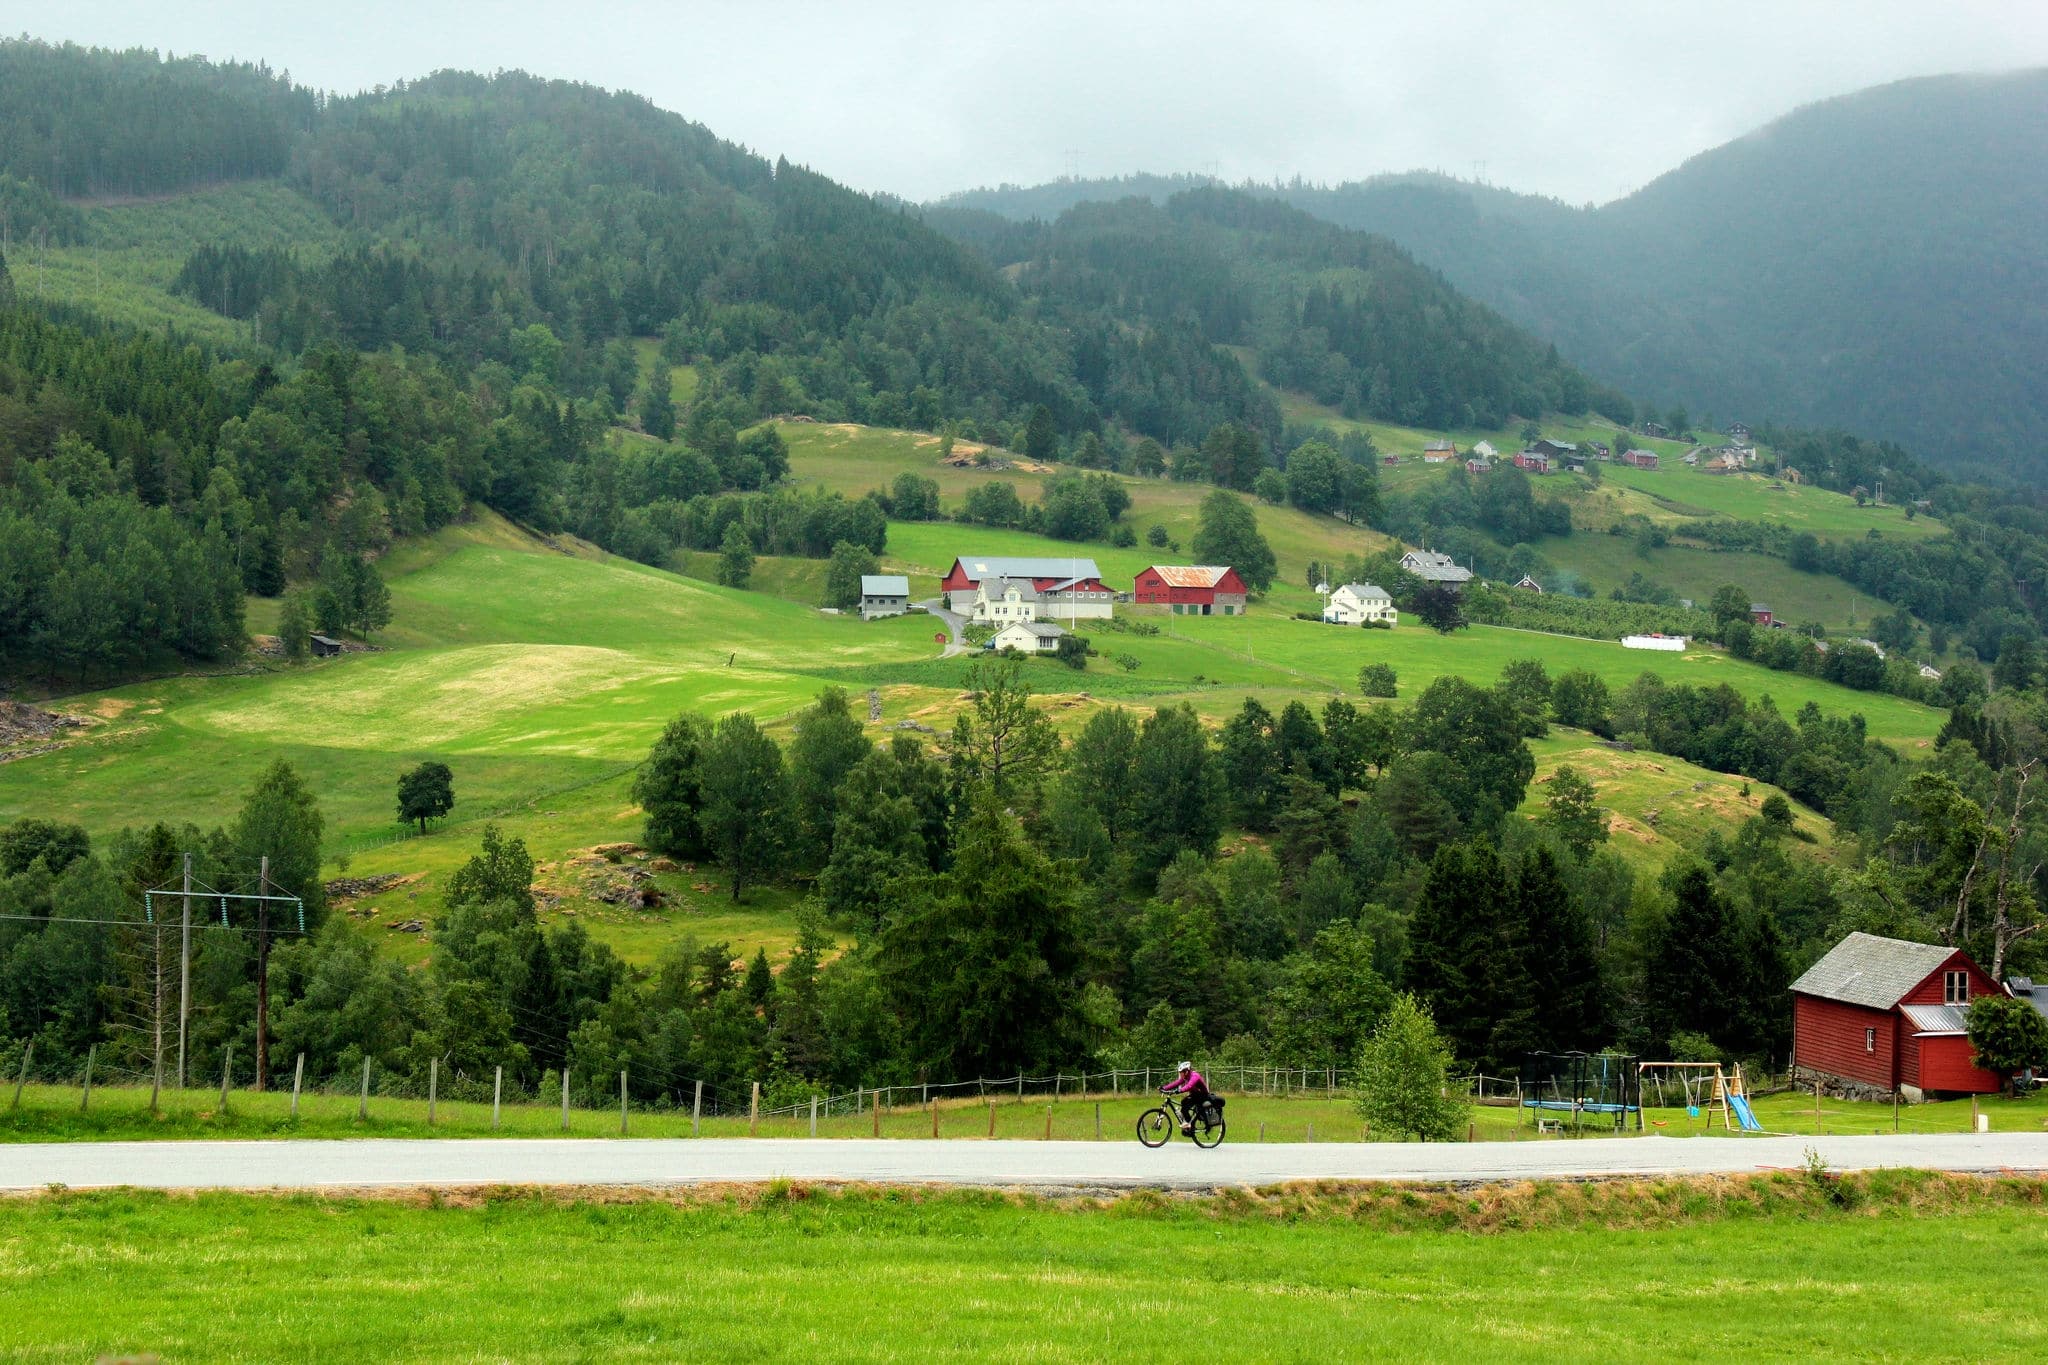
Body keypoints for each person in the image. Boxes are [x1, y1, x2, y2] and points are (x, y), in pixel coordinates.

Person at [1160, 1061, 1212, 1135]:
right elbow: (1176, 1083)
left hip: (1202, 1095)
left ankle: (1201, 1126)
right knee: (1184, 1104)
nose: (1180, 1074)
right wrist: (1164, 1088)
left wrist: (1179, 1090)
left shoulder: (1195, 1076)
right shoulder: (1185, 1077)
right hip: (1194, 1095)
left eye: (1181, 1072)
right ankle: (1189, 1126)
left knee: (1194, 1108)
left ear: (1186, 1071)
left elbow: (1189, 1086)